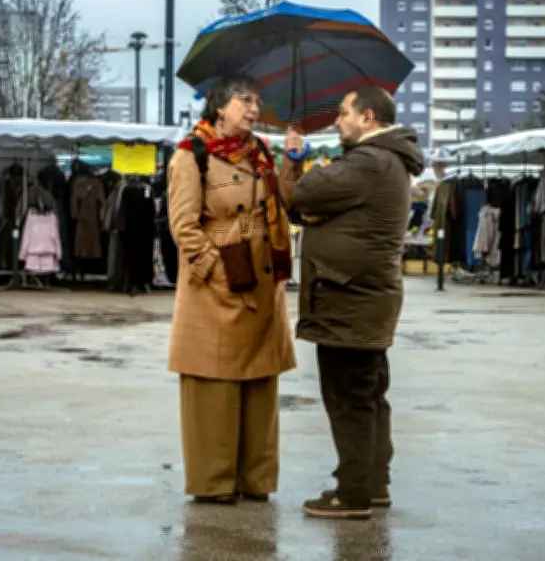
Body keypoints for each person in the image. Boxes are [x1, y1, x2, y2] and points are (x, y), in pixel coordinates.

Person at [166, 75, 306, 505]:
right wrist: (214, 267)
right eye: (245, 100)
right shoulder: (192, 155)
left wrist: (293, 160)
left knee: (260, 385)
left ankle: (255, 480)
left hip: (263, 282)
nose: (253, 108)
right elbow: (183, 225)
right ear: (220, 107)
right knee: (214, 385)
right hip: (217, 284)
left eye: (256, 101)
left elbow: (286, 199)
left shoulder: (262, 150)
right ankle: (214, 483)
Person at [286, 85, 424, 519]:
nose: (335, 120)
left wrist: (295, 161)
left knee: (350, 399)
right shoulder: (385, 161)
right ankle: (372, 485)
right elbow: (307, 207)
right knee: (367, 396)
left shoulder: (370, 160)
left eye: (343, 112)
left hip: (350, 296)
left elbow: (304, 193)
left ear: (367, 117)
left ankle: (354, 494)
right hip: (360, 296)